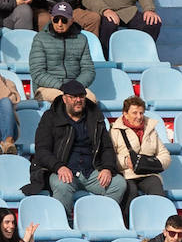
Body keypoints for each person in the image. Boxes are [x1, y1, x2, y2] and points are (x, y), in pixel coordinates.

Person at [30, 79, 124, 219]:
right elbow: (42, 150)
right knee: (62, 185)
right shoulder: (50, 117)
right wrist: (59, 166)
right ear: (64, 99)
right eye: (73, 97)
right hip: (62, 170)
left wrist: (107, 168)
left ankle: (99, 220)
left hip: (91, 171)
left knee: (119, 184)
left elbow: (107, 147)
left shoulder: (95, 117)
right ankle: (63, 223)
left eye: (81, 96)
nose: (78, 100)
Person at [110, 94, 170, 211]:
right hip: (126, 174)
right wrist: (125, 162)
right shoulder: (114, 131)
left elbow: (165, 155)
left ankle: (158, 223)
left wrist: (155, 163)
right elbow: (110, 157)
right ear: (125, 113)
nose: (139, 117)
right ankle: (129, 225)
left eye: (141, 113)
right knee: (130, 193)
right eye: (135, 113)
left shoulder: (151, 129)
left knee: (157, 192)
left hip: (148, 173)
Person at [29, 2, 96, 103]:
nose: (59, 24)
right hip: (46, 88)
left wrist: (75, 86)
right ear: (51, 19)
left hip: (75, 87)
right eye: (56, 20)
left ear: (71, 21)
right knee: (63, 100)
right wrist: (61, 86)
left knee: (91, 99)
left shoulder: (81, 39)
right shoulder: (40, 39)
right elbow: (37, 73)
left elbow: (88, 70)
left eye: (64, 20)